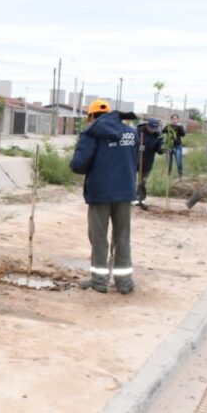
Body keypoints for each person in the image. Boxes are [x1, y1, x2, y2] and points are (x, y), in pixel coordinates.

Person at [70, 99, 138, 294]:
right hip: (125, 191)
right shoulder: (131, 133)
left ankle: (99, 281)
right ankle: (124, 283)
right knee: (122, 236)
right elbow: (134, 160)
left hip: (100, 192)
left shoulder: (92, 133)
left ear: (91, 116)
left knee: (99, 237)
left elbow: (79, 165)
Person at [135, 118, 165, 208]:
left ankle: (141, 198)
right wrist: (138, 146)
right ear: (147, 126)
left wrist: (164, 149)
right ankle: (131, 197)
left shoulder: (158, 136)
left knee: (143, 181)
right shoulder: (138, 131)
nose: (152, 130)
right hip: (135, 159)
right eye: (151, 128)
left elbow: (158, 150)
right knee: (132, 180)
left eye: (154, 128)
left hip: (148, 161)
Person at [164, 114, 186, 179]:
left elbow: (183, 134)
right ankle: (168, 175)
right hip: (169, 146)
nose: (174, 120)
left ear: (178, 120)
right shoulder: (168, 126)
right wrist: (168, 126)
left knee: (179, 161)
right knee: (169, 162)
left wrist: (180, 127)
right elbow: (163, 131)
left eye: (176, 119)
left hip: (177, 146)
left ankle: (180, 175)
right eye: (173, 119)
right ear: (171, 120)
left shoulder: (179, 127)